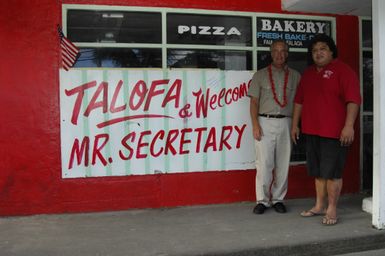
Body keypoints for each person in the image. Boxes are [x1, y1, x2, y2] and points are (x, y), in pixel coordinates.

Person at [291, 34, 361, 225]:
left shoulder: (344, 71)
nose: (318, 53)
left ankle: (332, 209)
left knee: (333, 173)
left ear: (331, 51)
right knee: (319, 172)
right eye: (314, 50)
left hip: (334, 133)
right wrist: (294, 125)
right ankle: (319, 205)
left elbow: (353, 100)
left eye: (322, 48)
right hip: (312, 131)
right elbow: (299, 101)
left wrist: (348, 126)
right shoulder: (308, 73)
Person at [248, 39, 301, 214]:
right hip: (264, 121)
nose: (279, 54)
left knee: (283, 163)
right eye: (276, 51)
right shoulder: (260, 75)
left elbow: (299, 103)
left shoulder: (295, 76)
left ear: (287, 54)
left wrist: (295, 126)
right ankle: (262, 200)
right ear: (271, 53)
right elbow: (254, 102)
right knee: (264, 163)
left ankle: (279, 199)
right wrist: (255, 124)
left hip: (286, 121)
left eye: (283, 50)